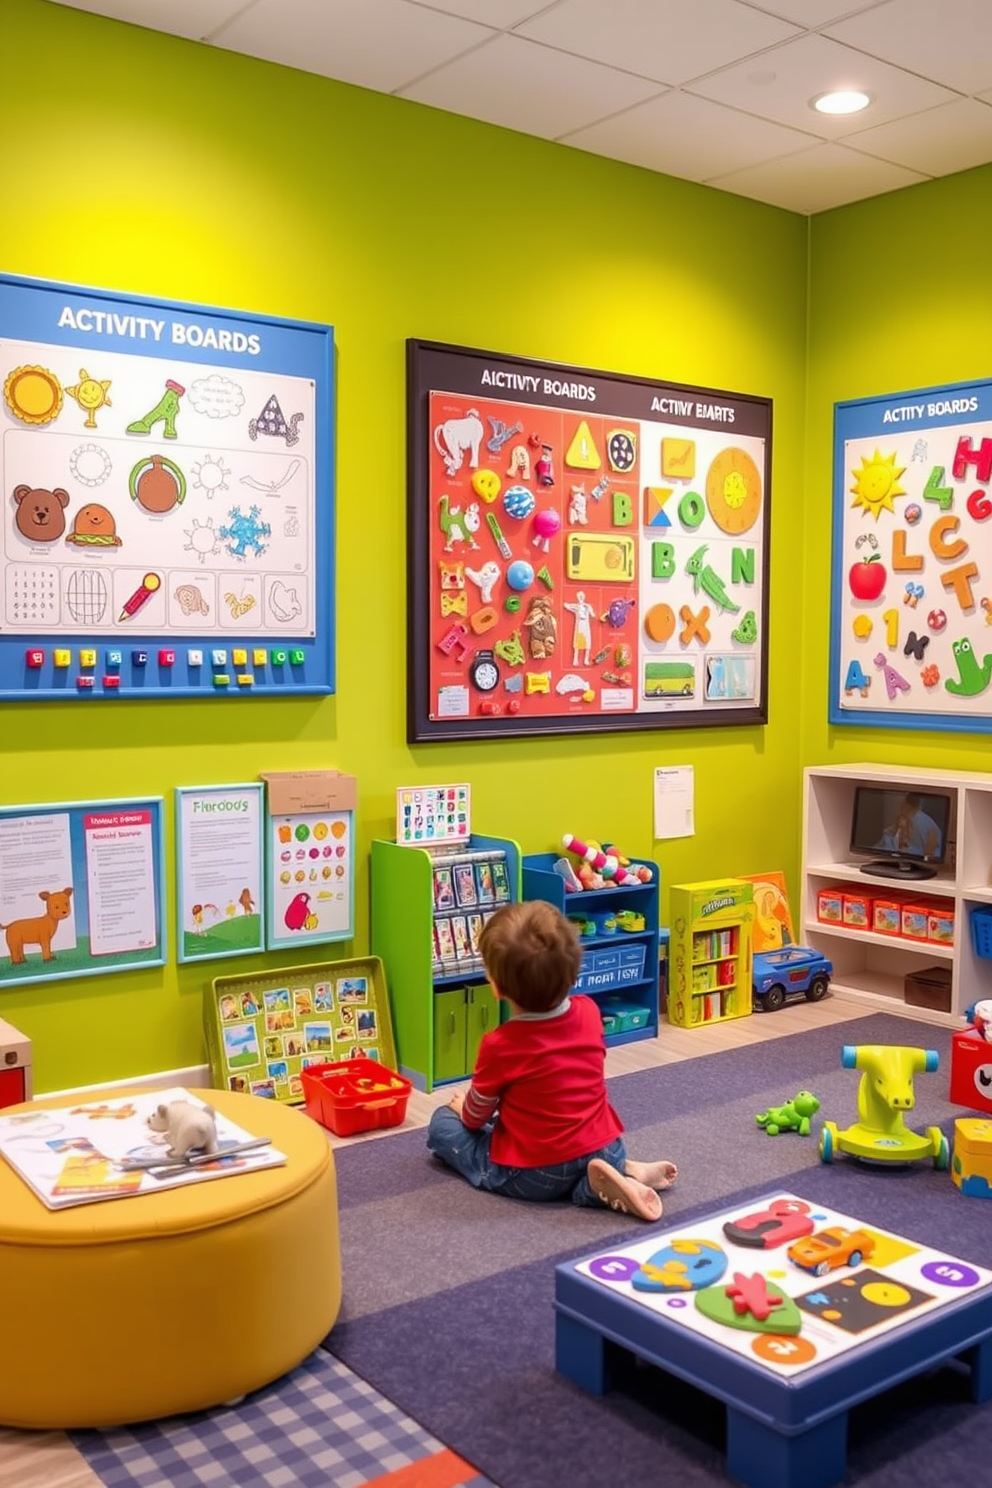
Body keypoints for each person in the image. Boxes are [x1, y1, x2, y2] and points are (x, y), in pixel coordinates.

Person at [426, 899, 677, 1220]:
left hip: (538, 1173)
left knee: (442, 1124)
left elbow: (475, 1118)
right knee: (543, 1125)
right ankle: (616, 1174)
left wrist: (462, 1108)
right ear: (574, 973)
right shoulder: (589, 1012)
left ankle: (604, 1180)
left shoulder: (500, 1045)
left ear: (497, 987)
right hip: (606, 1146)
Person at [877, 793, 942, 859]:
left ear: (906, 805)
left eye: (902, 804)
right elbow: (891, 833)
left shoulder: (922, 823)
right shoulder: (904, 818)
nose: (900, 805)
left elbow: (929, 853)